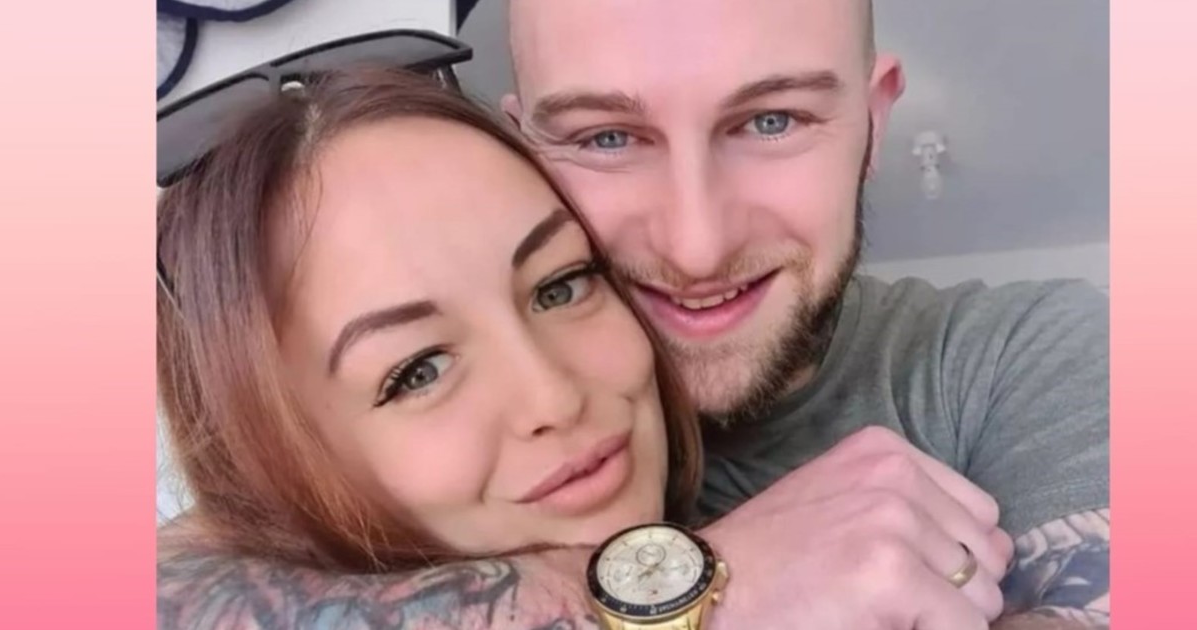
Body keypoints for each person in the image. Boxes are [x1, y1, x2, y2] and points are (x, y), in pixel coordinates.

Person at [159, 0, 1108, 628]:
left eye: (771, 120)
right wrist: (702, 590)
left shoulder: (1023, 357)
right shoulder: (288, 519)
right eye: (608, 136)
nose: (696, 248)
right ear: (528, 144)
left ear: (872, 122)